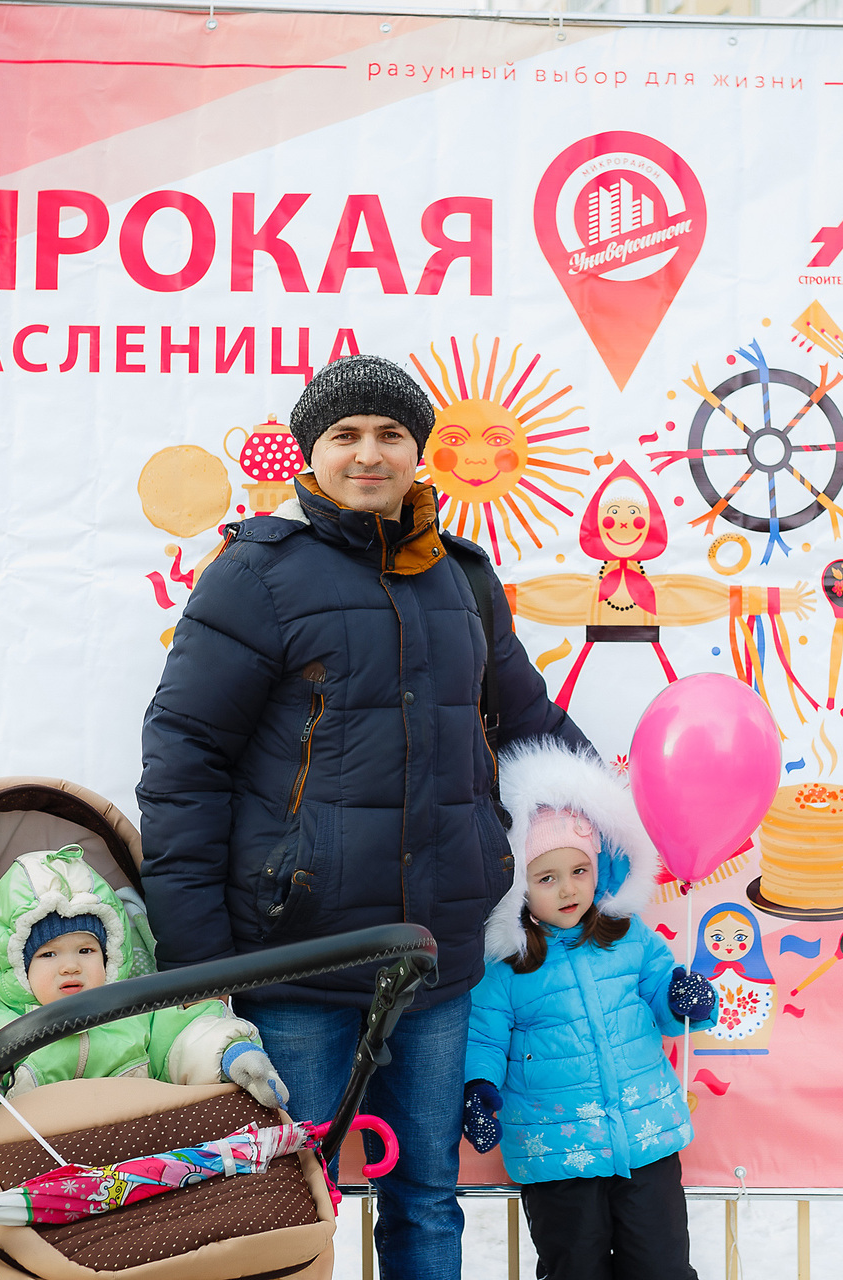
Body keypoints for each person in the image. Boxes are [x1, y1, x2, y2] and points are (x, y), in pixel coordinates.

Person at [139, 353, 591, 1278]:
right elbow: (185, 760)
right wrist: (198, 964)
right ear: (311, 453)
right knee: (285, 1204)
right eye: (345, 435)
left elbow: (526, 720)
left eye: (391, 434)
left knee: (427, 1198)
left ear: (420, 453)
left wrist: (620, 803)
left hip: (436, 955)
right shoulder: (254, 576)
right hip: (297, 958)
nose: (369, 453)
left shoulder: (463, 579)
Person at [461, 738, 716, 1280]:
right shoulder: (506, 967)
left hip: (645, 1140)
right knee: (574, 1268)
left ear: (601, 865)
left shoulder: (630, 939)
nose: (567, 890)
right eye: (546, 878)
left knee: (662, 1267)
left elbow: (664, 1000)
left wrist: (683, 998)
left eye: (579, 870)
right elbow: (483, 1038)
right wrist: (478, 1092)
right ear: (519, 887)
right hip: (558, 1153)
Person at [0, 845, 288, 1127]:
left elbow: (186, 1040)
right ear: (17, 966)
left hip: (142, 1146)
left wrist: (230, 1054)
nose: (70, 966)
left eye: (86, 950)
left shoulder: (137, 1008)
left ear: (109, 955)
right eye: (48, 954)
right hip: (36, 1158)